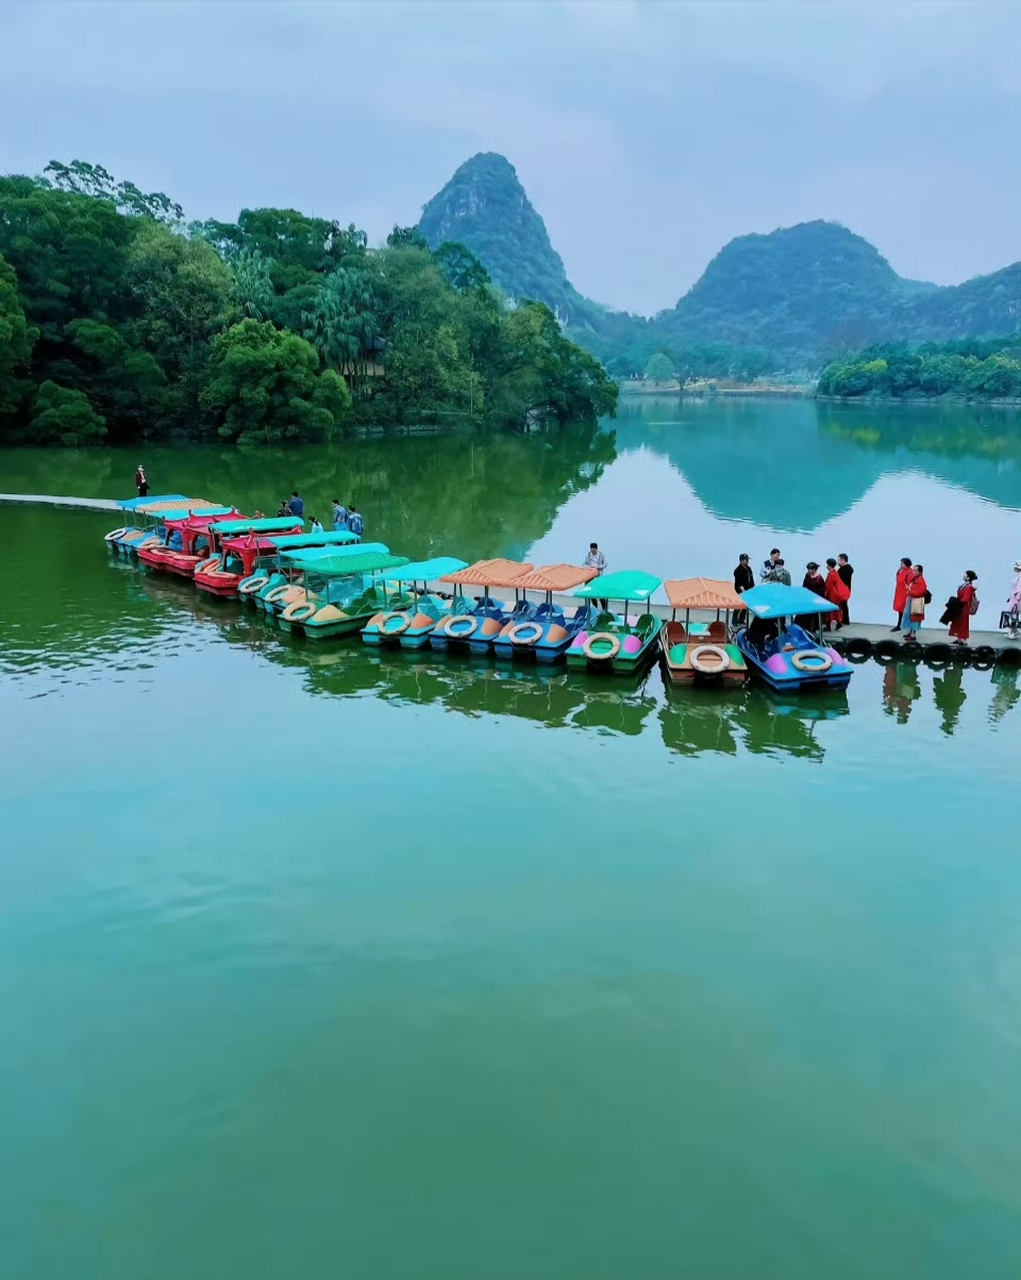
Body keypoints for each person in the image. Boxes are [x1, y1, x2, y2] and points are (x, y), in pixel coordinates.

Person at [947, 570, 978, 645]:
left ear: (968, 577)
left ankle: (964, 640)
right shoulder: (964, 586)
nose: (963, 576)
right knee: (958, 622)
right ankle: (959, 639)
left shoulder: (969, 587)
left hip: (964, 607)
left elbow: (966, 598)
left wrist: (958, 601)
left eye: (965, 575)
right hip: (960, 606)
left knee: (963, 624)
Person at [795, 562, 825, 629]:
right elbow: (804, 585)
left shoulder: (819, 578)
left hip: (815, 597)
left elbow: (822, 590)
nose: (809, 571)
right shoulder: (807, 575)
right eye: (808, 569)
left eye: (811, 569)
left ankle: (812, 628)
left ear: (815, 570)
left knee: (813, 615)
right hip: (807, 597)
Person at [903, 564, 928, 638]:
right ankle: (910, 632)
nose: (913, 572)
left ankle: (913, 634)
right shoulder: (915, 579)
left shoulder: (920, 581)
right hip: (912, 600)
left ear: (920, 572)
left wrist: (910, 591)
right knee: (910, 617)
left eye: (915, 570)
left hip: (916, 602)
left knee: (915, 618)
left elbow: (920, 592)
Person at [823, 557, 848, 630]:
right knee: (835, 611)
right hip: (835, 595)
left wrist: (826, 593)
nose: (826, 566)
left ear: (830, 565)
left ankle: (828, 626)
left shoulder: (832, 574)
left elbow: (829, 586)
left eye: (827, 565)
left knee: (829, 611)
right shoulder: (834, 573)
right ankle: (839, 623)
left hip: (832, 595)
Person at [584, 542, 609, 611]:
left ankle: (604, 608)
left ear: (597, 549)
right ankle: (595, 607)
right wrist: (589, 567)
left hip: (598, 575)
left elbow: (605, 564)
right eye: (592, 550)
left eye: (594, 550)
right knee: (590, 592)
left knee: (600, 593)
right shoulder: (588, 556)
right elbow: (584, 564)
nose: (593, 551)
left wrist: (598, 567)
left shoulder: (601, 555)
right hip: (590, 575)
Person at [891, 556, 913, 631]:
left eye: (902, 564)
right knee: (900, 610)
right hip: (900, 593)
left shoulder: (910, 573)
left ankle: (906, 626)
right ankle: (899, 625)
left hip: (905, 594)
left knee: (905, 610)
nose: (901, 565)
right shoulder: (902, 571)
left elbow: (910, 585)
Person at [733, 553, 754, 624]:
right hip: (740, 590)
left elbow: (751, 579)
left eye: (748, 560)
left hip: (748, 590)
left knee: (745, 606)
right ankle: (735, 620)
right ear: (741, 561)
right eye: (746, 560)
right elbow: (739, 582)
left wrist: (752, 589)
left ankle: (742, 619)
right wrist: (743, 591)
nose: (748, 561)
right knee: (738, 606)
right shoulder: (738, 570)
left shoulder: (749, 569)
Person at [1004, 560, 1021, 639]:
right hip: (1015, 598)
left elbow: (1019, 589)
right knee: (1011, 615)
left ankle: (1014, 632)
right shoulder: (1019, 576)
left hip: (1017, 600)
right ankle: (1012, 631)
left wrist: (1016, 599)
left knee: (1013, 615)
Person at [836, 553, 854, 625]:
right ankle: (845, 619)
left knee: (843, 604)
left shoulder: (845, 569)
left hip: (843, 588)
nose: (838, 562)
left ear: (843, 560)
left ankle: (845, 619)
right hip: (845, 588)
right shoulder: (847, 569)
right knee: (843, 604)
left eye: (839, 560)